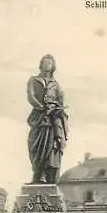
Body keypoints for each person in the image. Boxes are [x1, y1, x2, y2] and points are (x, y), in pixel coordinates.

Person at [27, 54, 68, 184]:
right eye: (45, 62)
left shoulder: (56, 85)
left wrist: (57, 110)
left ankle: (46, 175)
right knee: (34, 144)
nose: (47, 65)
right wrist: (41, 107)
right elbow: (31, 96)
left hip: (52, 118)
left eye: (50, 63)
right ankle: (37, 174)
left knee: (52, 145)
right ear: (40, 64)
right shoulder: (33, 80)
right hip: (38, 117)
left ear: (53, 66)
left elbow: (61, 101)